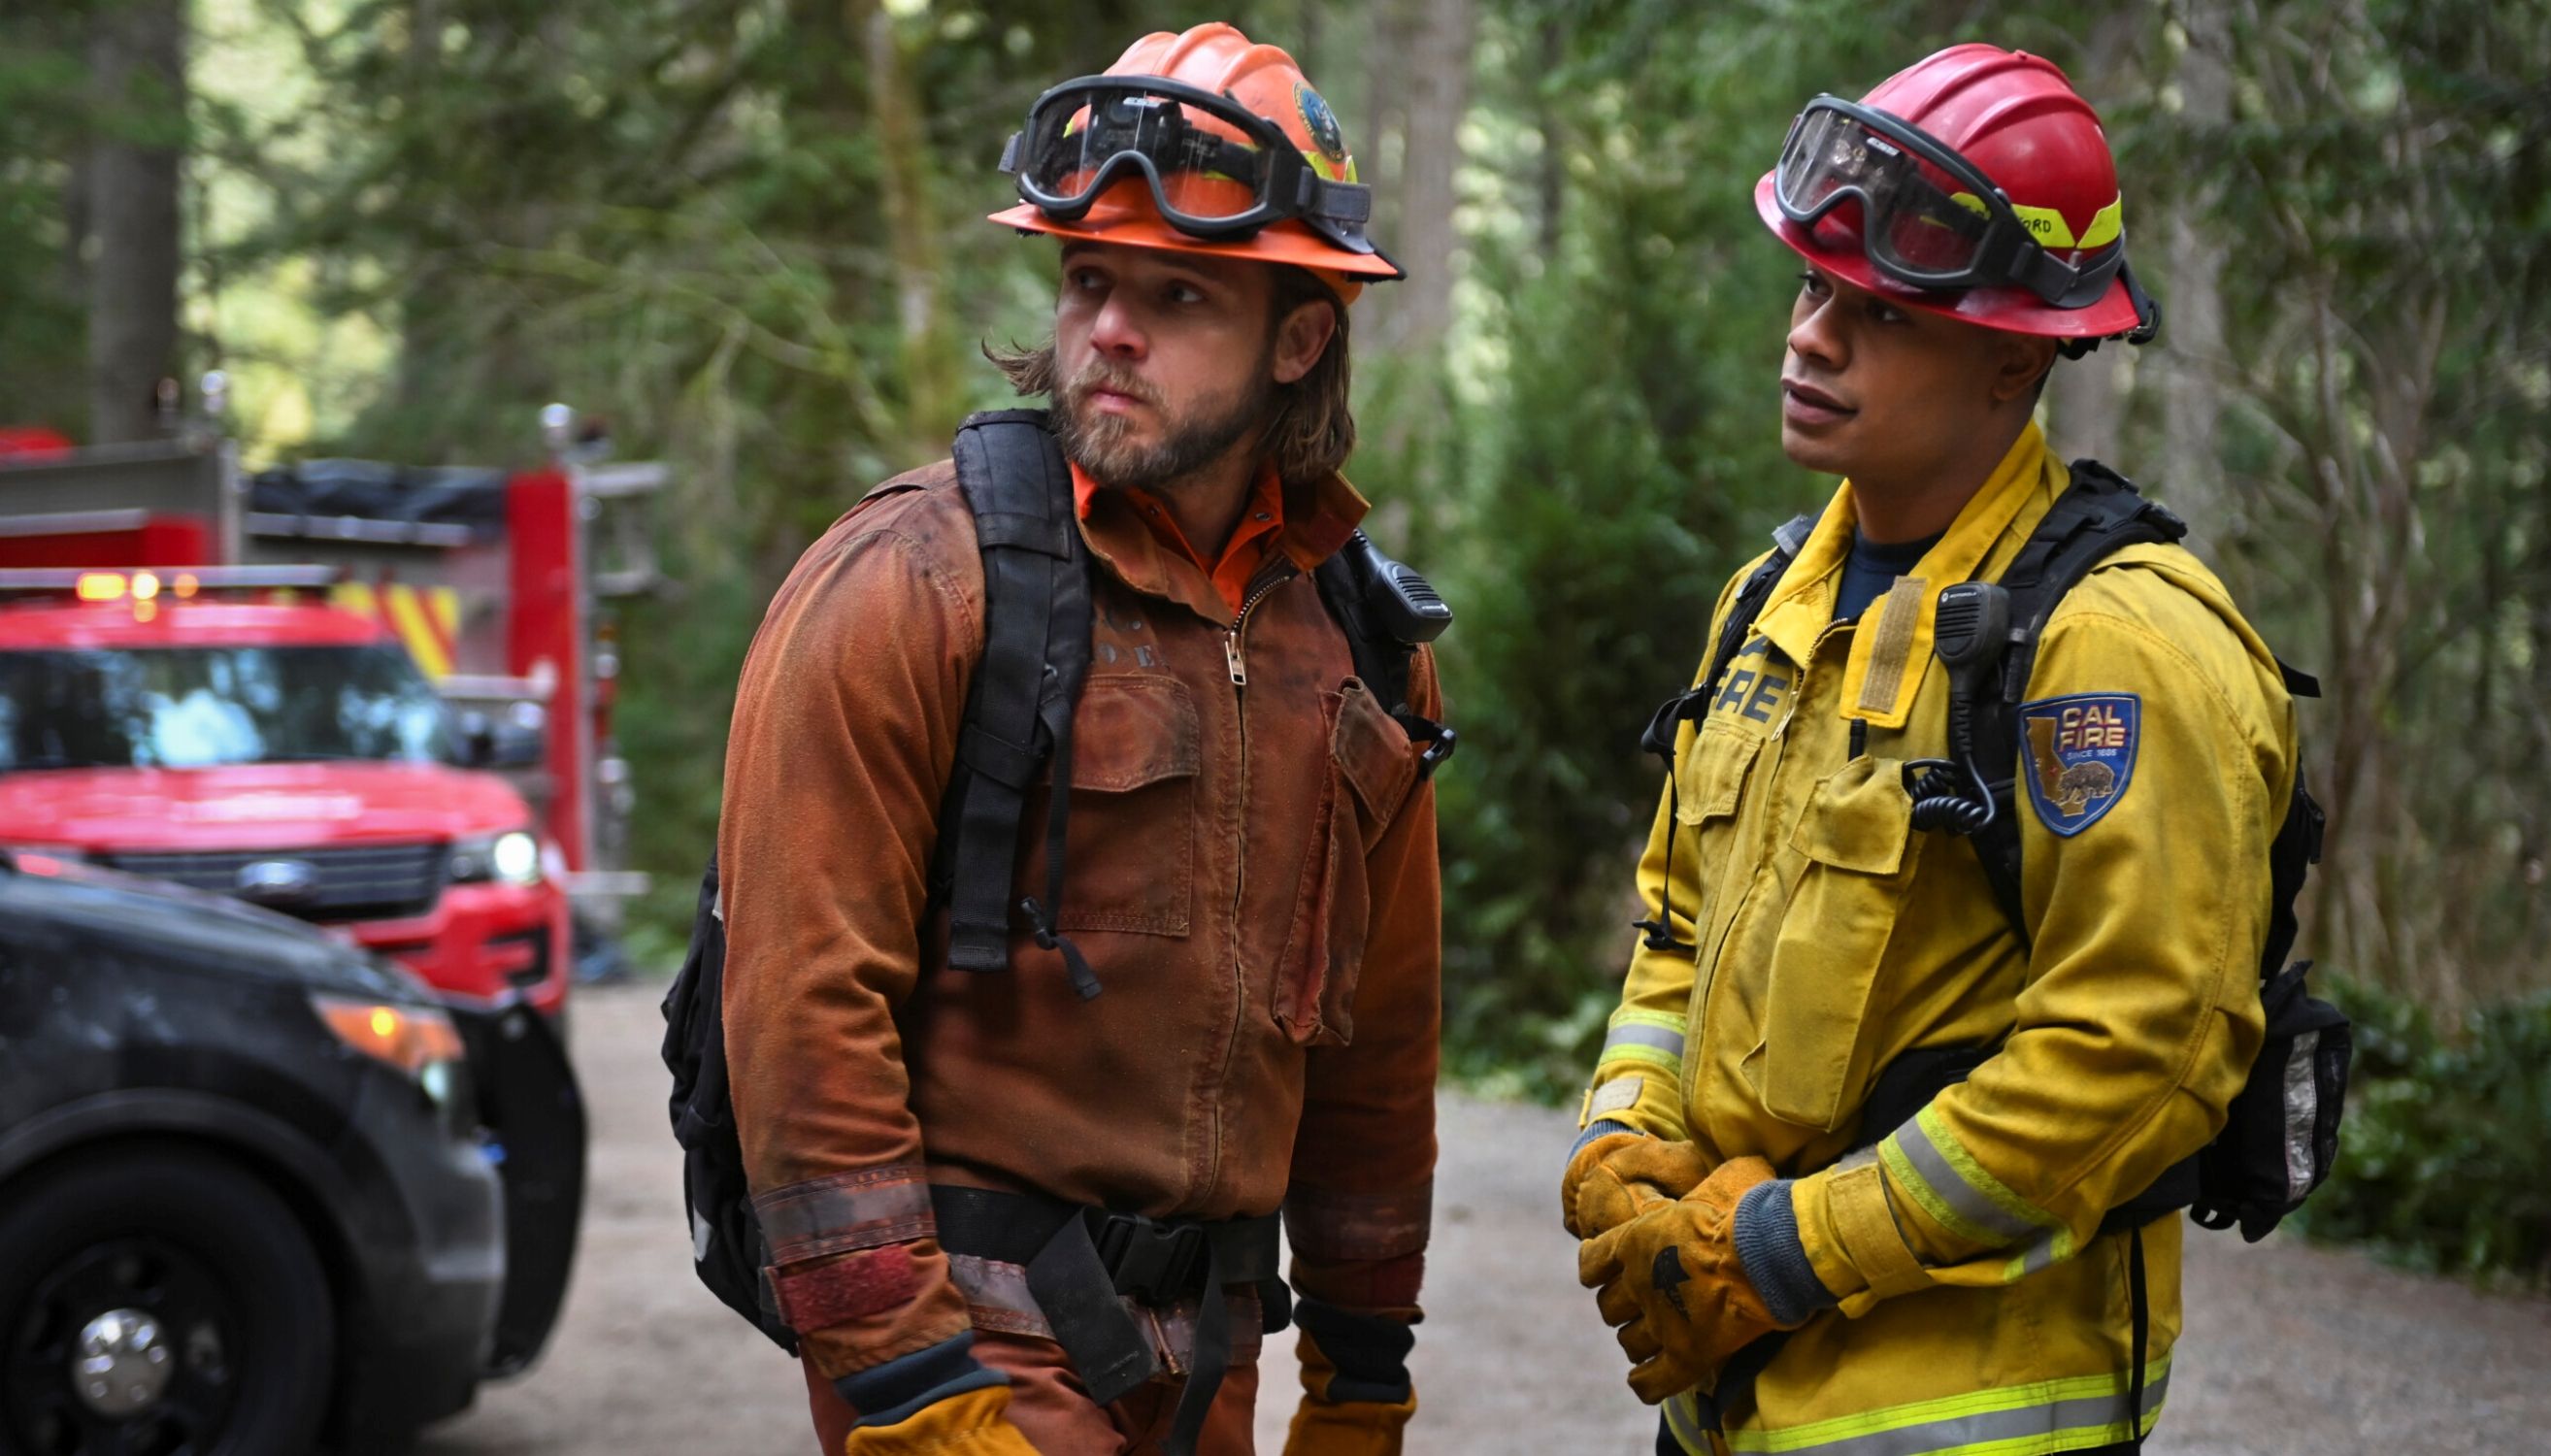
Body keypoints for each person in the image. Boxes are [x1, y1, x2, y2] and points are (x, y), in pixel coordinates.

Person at [1562, 45, 2302, 1456]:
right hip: (1722, 1409)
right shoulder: (1768, 604)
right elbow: (1675, 923)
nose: (1810, 338)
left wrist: (1785, 1250)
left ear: (2015, 356)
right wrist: (1622, 1136)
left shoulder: (2116, 645)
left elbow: (2136, 1058)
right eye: (1811, 288)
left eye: (1880, 316)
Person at [715, 23, 1442, 1456]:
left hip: (1214, 1373)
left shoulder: (1359, 647)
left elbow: (1379, 1046)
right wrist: (913, 1396)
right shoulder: (915, 583)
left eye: (1179, 295)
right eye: (1090, 280)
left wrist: (1363, 1370)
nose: (1111, 327)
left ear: (1302, 336)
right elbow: (802, 1025)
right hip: (975, 1367)